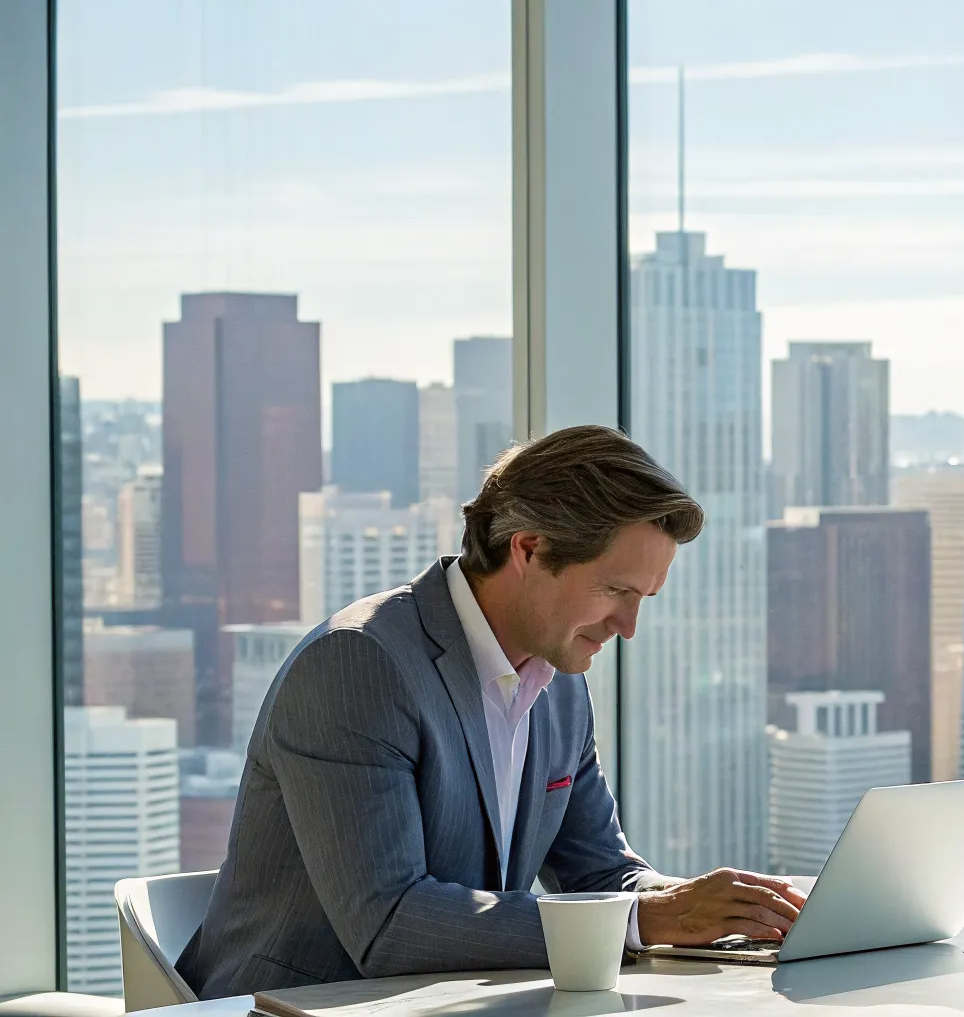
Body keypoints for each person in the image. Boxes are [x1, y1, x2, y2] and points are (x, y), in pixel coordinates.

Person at [178, 425, 805, 997]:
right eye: (614, 590)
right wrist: (648, 919)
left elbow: (601, 873)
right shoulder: (358, 665)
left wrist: (732, 909)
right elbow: (389, 924)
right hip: (292, 1008)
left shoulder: (557, 675)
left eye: (643, 597)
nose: (628, 626)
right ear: (528, 549)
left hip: (455, 1004)